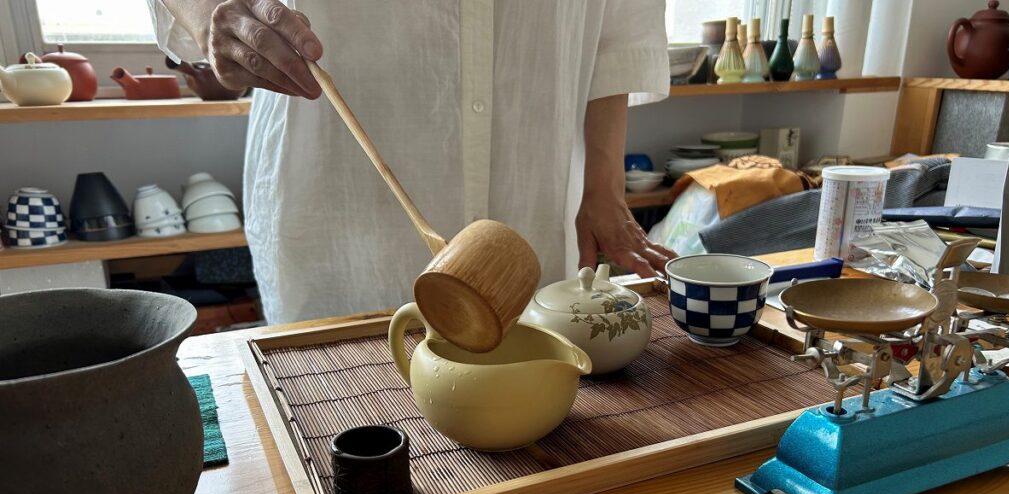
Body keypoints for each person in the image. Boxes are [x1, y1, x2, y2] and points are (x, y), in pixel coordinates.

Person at [148, 0, 676, 323]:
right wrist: (210, 14)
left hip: (533, 188)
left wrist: (603, 191)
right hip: (335, 196)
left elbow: (621, 30)